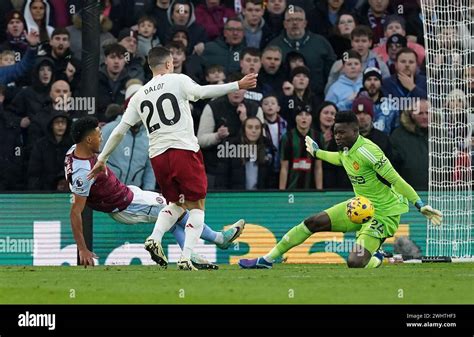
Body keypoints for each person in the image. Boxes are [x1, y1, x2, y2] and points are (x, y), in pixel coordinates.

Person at [88, 46, 257, 270]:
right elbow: (203, 92)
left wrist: (102, 159)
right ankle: (186, 257)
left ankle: (155, 238)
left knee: (176, 204)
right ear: (169, 64)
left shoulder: (140, 94)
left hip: (158, 156)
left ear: (150, 67)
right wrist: (237, 85)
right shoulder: (178, 80)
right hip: (183, 150)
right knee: (197, 205)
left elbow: (119, 130)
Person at [239, 110, 442, 269]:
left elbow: (396, 180)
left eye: (342, 132)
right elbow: (340, 159)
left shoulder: (369, 152)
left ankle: (378, 258)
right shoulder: (346, 149)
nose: (337, 137)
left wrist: (419, 204)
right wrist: (318, 153)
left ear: (355, 131)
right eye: (335, 132)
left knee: (355, 262)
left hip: (384, 214)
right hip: (360, 207)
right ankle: (267, 259)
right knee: (313, 222)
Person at [67, 116, 245, 268]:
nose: (102, 139)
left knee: (172, 218)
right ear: (88, 140)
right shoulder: (84, 174)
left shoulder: (74, 152)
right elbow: (76, 212)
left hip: (128, 193)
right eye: (99, 136)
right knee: (177, 209)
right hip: (127, 205)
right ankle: (218, 239)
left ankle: (189, 254)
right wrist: (82, 249)